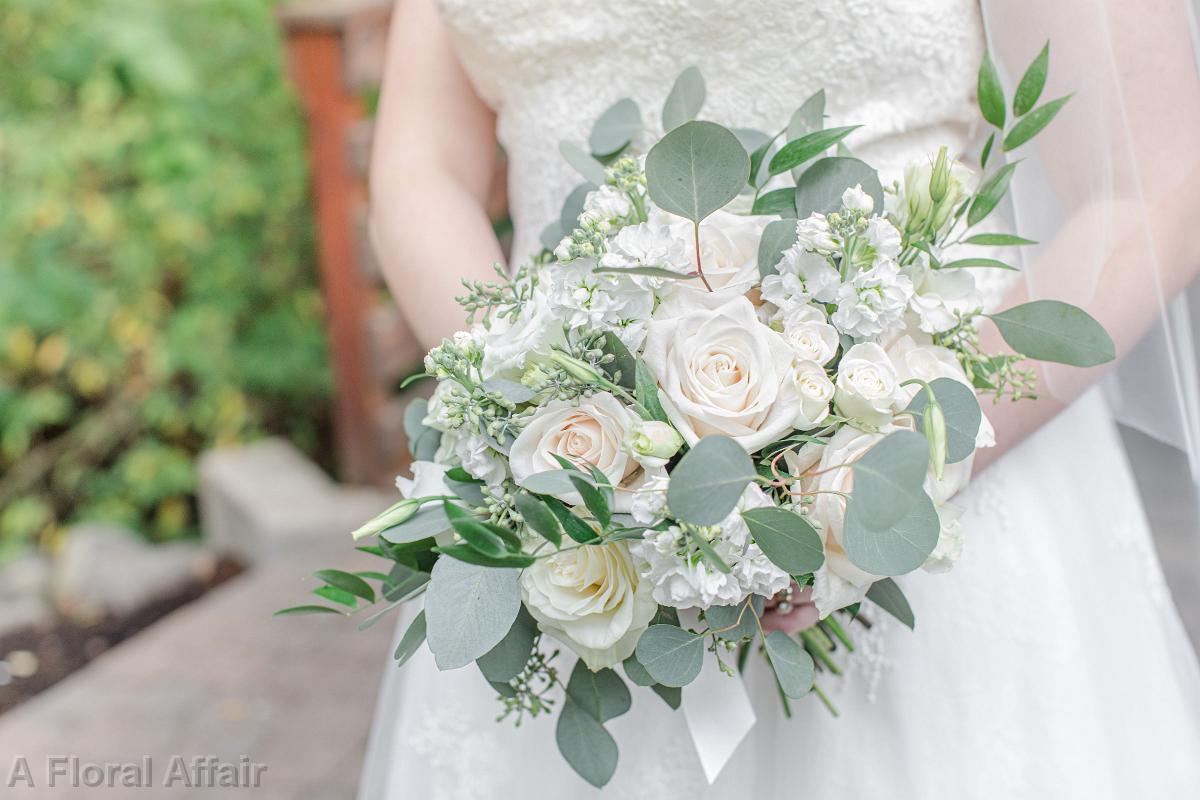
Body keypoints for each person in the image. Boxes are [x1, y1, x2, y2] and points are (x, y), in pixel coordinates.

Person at [360, 0, 1200, 796]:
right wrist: (535, 414)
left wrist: (889, 464)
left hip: (942, 477)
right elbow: (422, 170)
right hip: (570, 515)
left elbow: (1150, 183)